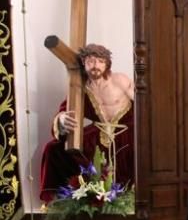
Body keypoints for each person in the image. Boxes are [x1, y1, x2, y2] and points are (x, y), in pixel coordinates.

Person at [39, 43, 135, 201]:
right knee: (53, 149)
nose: (95, 65)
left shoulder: (120, 80)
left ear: (107, 63)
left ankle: (133, 198)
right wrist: (61, 120)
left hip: (126, 132)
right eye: (91, 61)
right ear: (83, 63)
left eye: (100, 61)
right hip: (98, 133)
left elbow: (143, 104)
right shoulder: (80, 88)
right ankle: (61, 200)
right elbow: (66, 109)